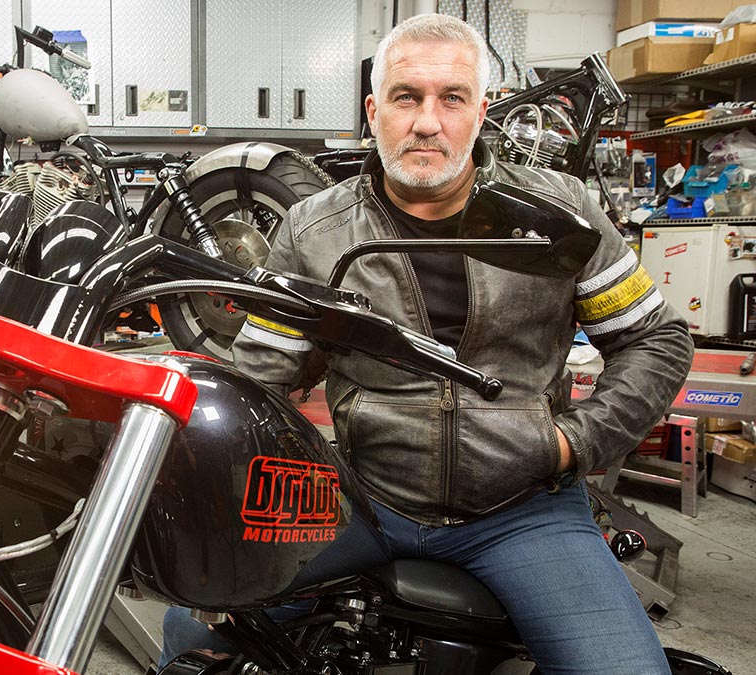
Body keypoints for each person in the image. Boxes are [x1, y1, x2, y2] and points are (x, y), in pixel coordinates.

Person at [162, 13, 693, 675]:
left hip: (522, 509)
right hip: (361, 498)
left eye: (452, 98)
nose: (426, 121)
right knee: (190, 622)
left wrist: (573, 443)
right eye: (406, 97)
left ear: (483, 110)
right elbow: (259, 376)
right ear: (373, 110)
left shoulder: (563, 215)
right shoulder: (314, 229)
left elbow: (657, 339)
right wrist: (213, 493)